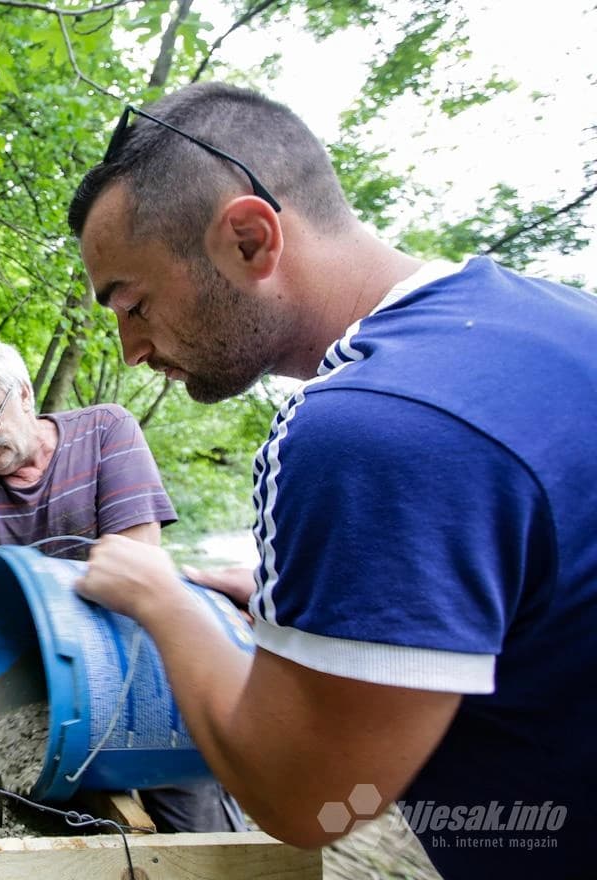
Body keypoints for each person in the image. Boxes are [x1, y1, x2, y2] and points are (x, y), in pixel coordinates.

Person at [66, 81, 597, 877]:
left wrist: (160, 597)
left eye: (133, 304)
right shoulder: (556, 318)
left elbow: (306, 801)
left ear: (249, 239)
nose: (131, 348)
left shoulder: (360, 424)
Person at [0, 338, 245, 833]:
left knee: (197, 836)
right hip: (43, 701)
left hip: (144, 680)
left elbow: (139, 567)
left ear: (23, 394)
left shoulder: (105, 431)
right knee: (76, 831)